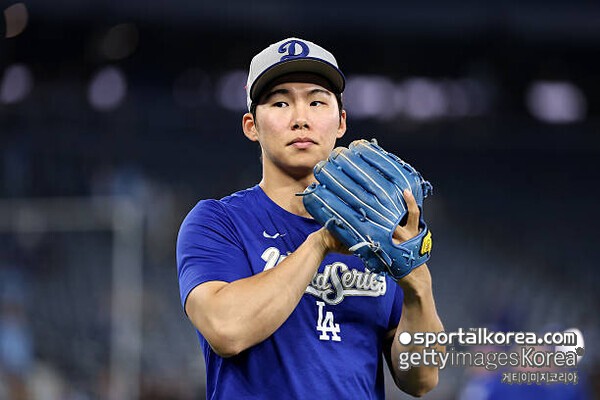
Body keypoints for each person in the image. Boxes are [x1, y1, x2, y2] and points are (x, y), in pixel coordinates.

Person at [176, 37, 444, 399]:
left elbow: (422, 379)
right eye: (280, 102)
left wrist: (417, 285)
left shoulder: (380, 232)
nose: (300, 119)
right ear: (251, 126)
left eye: (317, 102)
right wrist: (320, 243)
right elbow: (227, 330)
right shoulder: (218, 222)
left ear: (341, 122)